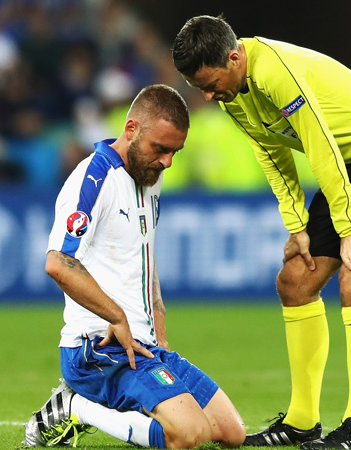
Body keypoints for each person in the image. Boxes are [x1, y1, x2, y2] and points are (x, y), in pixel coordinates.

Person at [172, 16, 351, 450]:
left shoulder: (274, 71)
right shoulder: (233, 91)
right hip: (347, 170)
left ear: (235, 57)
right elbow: (269, 152)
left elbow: (319, 145)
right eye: (199, 87)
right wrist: (297, 226)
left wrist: (348, 229)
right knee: (295, 282)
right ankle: (302, 420)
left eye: (212, 83)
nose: (209, 95)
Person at [23, 84, 246, 449]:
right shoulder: (93, 180)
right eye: (161, 149)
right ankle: (74, 407)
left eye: (175, 151)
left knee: (230, 432)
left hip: (144, 344)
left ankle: (127, 406)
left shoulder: (149, 176)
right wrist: (117, 317)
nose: (167, 162)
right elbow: (58, 263)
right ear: (131, 130)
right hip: (98, 345)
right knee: (189, 435)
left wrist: (158, 316)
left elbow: (143, 250)